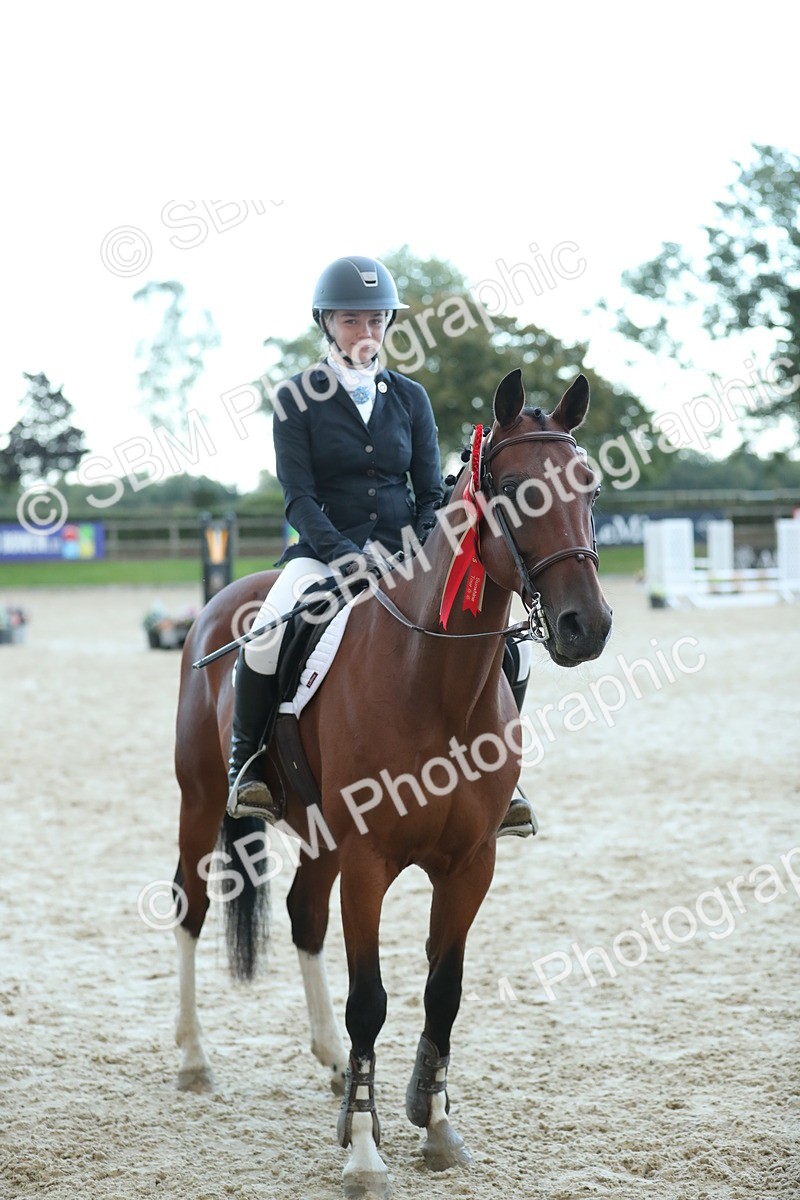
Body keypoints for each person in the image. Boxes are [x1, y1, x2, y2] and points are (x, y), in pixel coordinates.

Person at [226, 255, 535, 837]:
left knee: (508, 647)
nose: (364, 332)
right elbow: (298, 499)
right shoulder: (296, 398)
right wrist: (345, 555)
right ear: (326, 323)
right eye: (351, 321)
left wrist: (417, 550)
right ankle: (249, 766)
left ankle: (502, 776)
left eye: (375, 320)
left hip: (406, 553)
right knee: (265, 633)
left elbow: (429, 493)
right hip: (322, 555)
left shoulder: (410, 397)